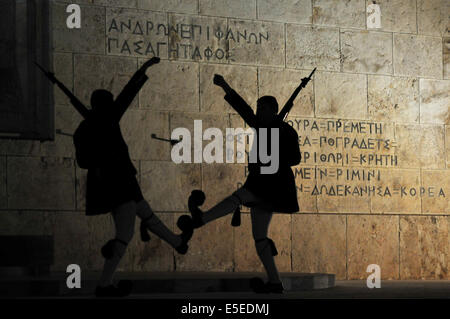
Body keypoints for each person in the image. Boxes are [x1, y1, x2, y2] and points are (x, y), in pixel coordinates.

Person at [47, 57, 193, 297]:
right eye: (110, 102)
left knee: (145, 211)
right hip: (117, 183)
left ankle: (177, 243)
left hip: (118, 182)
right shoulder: (101, 123)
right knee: (125, 235)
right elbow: (127, 94)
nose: (115, 103)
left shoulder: (88, 127)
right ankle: (105, 283)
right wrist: (143, 68)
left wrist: (144, 68)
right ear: (104, 105)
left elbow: (83, 160)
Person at [180, 73, 308, 293]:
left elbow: (295, 158)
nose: (259, 111)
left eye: (263, 108)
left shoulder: (285, 131)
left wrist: (275, 154)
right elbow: (243, 109)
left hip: (273, 184)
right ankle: (275, 282)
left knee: (239, 197)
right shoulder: (262, 126)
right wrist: (225, 86)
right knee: (259, 237)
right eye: (259, 108)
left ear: (273, 110)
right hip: (261, 182)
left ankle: (202, 219)